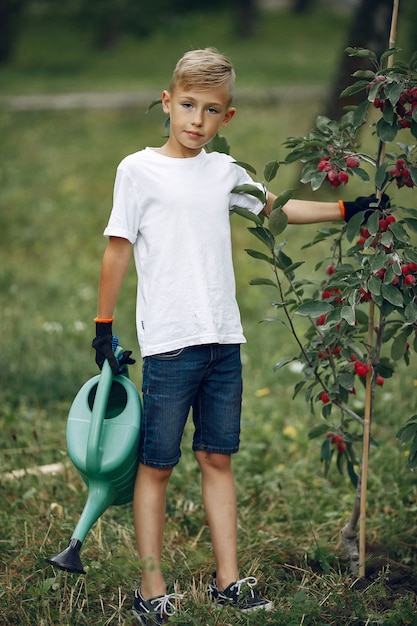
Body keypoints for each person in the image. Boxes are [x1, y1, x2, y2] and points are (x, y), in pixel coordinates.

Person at [92, 48, 386, 625]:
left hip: (223, 340)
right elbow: (116, 250)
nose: (196, 120)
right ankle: (151, 588)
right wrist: (104, 327)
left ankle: (229, 581)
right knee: (156, 466)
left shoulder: (224, 173)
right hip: (171, 344)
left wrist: (349, 207)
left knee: (217, 458)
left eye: (211, 110)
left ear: (228, 117)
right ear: (167, 101)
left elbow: (277, 210)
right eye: (187, 106)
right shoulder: (137, 170)